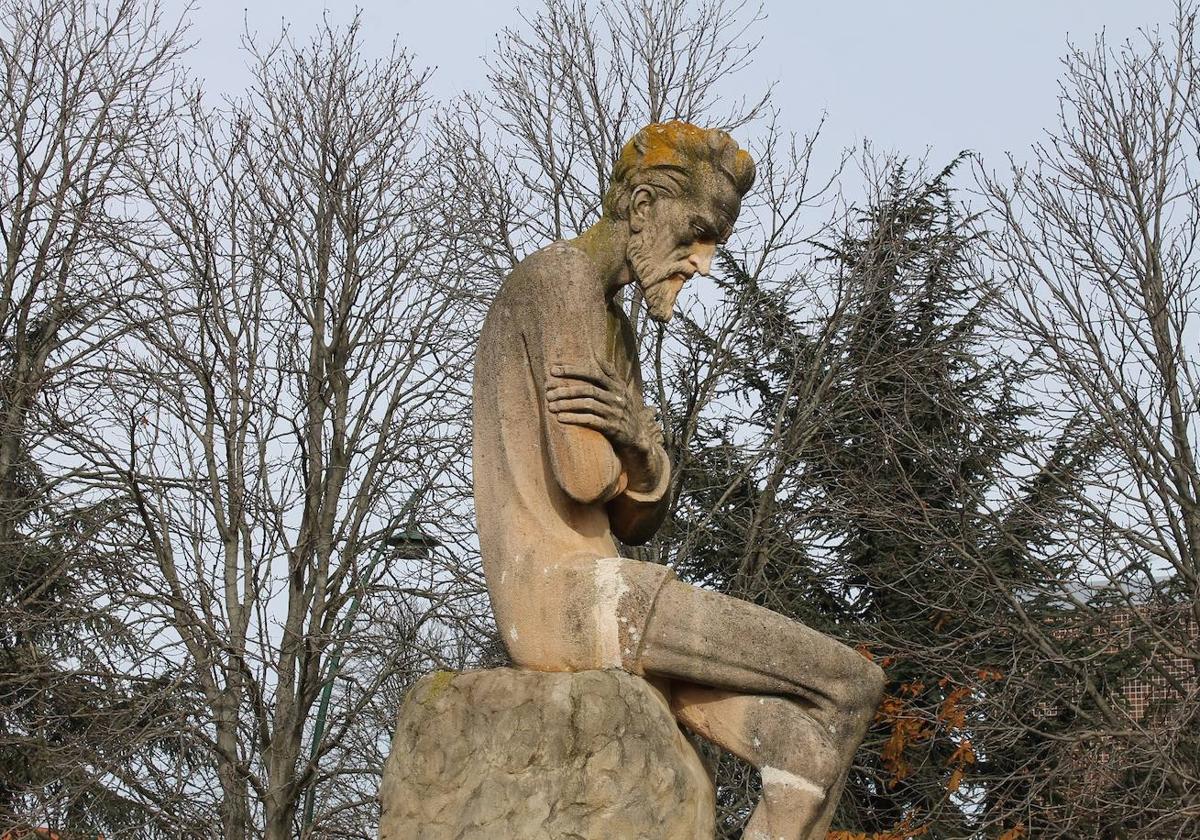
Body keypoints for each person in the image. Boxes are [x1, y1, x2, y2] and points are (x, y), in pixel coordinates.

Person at [472, 121, 884, 840]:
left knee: (803, 747)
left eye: (715, 240)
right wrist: (634, 445)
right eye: (696, 231)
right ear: (640, 208)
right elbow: (586, 474)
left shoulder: (614, 329)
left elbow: (638, 516)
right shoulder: (561, 277)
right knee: (852, 683)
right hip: (564, 599)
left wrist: (639, 444)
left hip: (607, 594)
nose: (702, 261)